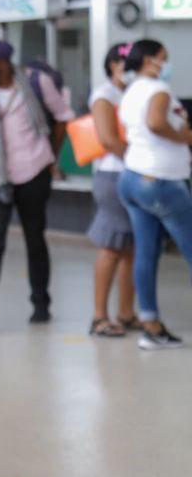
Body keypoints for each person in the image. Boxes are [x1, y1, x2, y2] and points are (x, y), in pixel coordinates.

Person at [0, 40, 74, 333]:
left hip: (34, 169)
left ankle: (41, 304)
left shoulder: (38, 82)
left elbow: (62, 118)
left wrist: (52, 155)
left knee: (34, 238)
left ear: (5, 63)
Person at [117, 38, 192, 350]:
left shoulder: (132, 90)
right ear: (149, 60)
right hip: (161, 181)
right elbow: (157, 123)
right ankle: (151, 326)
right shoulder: (157, 90)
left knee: (146, 253)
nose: (166, 63)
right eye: (164, 57)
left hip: (133, 177)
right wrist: (185, 136)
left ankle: (151, 325)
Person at [86, 43, 139, 337]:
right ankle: (99, 316)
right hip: (113, 177)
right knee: (111, 247)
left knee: (131, 249)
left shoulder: (135, 94)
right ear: (112, 66)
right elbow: (107, 140)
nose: (129, 69)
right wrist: (141, 160)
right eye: (123, 63)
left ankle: (126, 313)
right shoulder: (104, 95)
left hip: (133, 174)